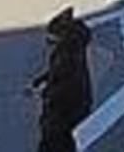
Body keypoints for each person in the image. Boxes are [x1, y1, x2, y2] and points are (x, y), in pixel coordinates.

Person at [28, 8, 93, 152]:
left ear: (61, 35)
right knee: (61, 139)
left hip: (66, 107)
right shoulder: (69, 48)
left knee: (54, 139)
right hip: (71, 105)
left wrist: (46, 92)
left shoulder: (69, 55)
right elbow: (56, 72)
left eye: (52, 36)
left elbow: (66, 83)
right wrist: (40, 81)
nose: (49, 39)